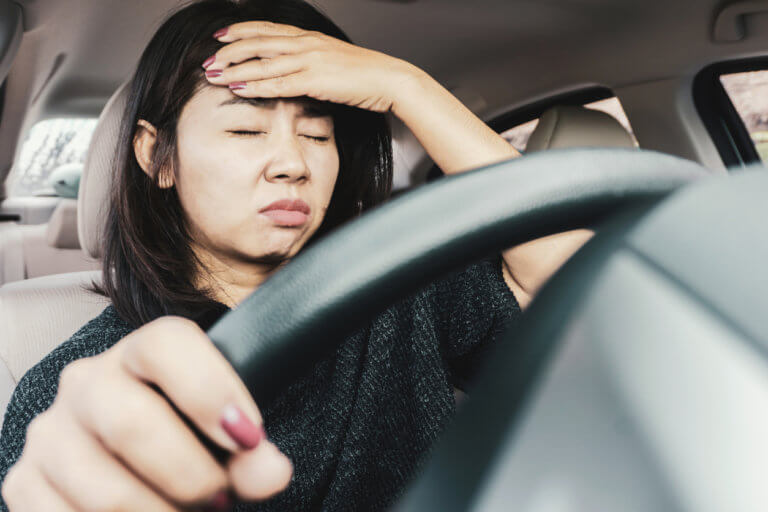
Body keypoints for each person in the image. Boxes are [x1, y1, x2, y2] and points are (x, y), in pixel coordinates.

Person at [0, 0, 590, 510]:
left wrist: (407, 87)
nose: (292, 164)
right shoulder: (76, 388)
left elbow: (585, 300)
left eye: (317, 135)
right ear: (159, 157)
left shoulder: (401, 294)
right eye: (245, 132)